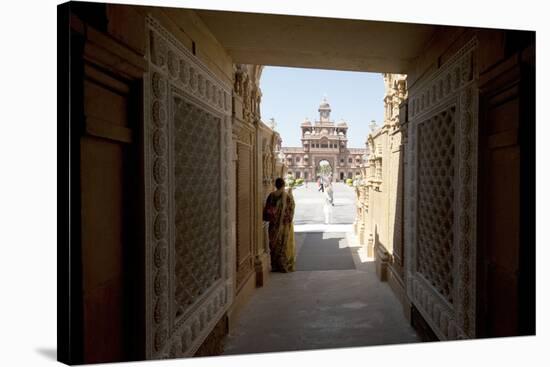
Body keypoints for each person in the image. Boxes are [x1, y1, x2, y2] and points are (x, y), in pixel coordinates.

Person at [263, 177, 296, 272]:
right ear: (283, 185)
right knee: (283, 244)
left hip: (273, 225)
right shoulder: (287, 196)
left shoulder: (271, 195)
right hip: (284, 225)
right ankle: (282, 265)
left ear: (275, 185)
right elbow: (291, 209)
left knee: (273, 245)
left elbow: (267, 210)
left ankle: (274, 266)